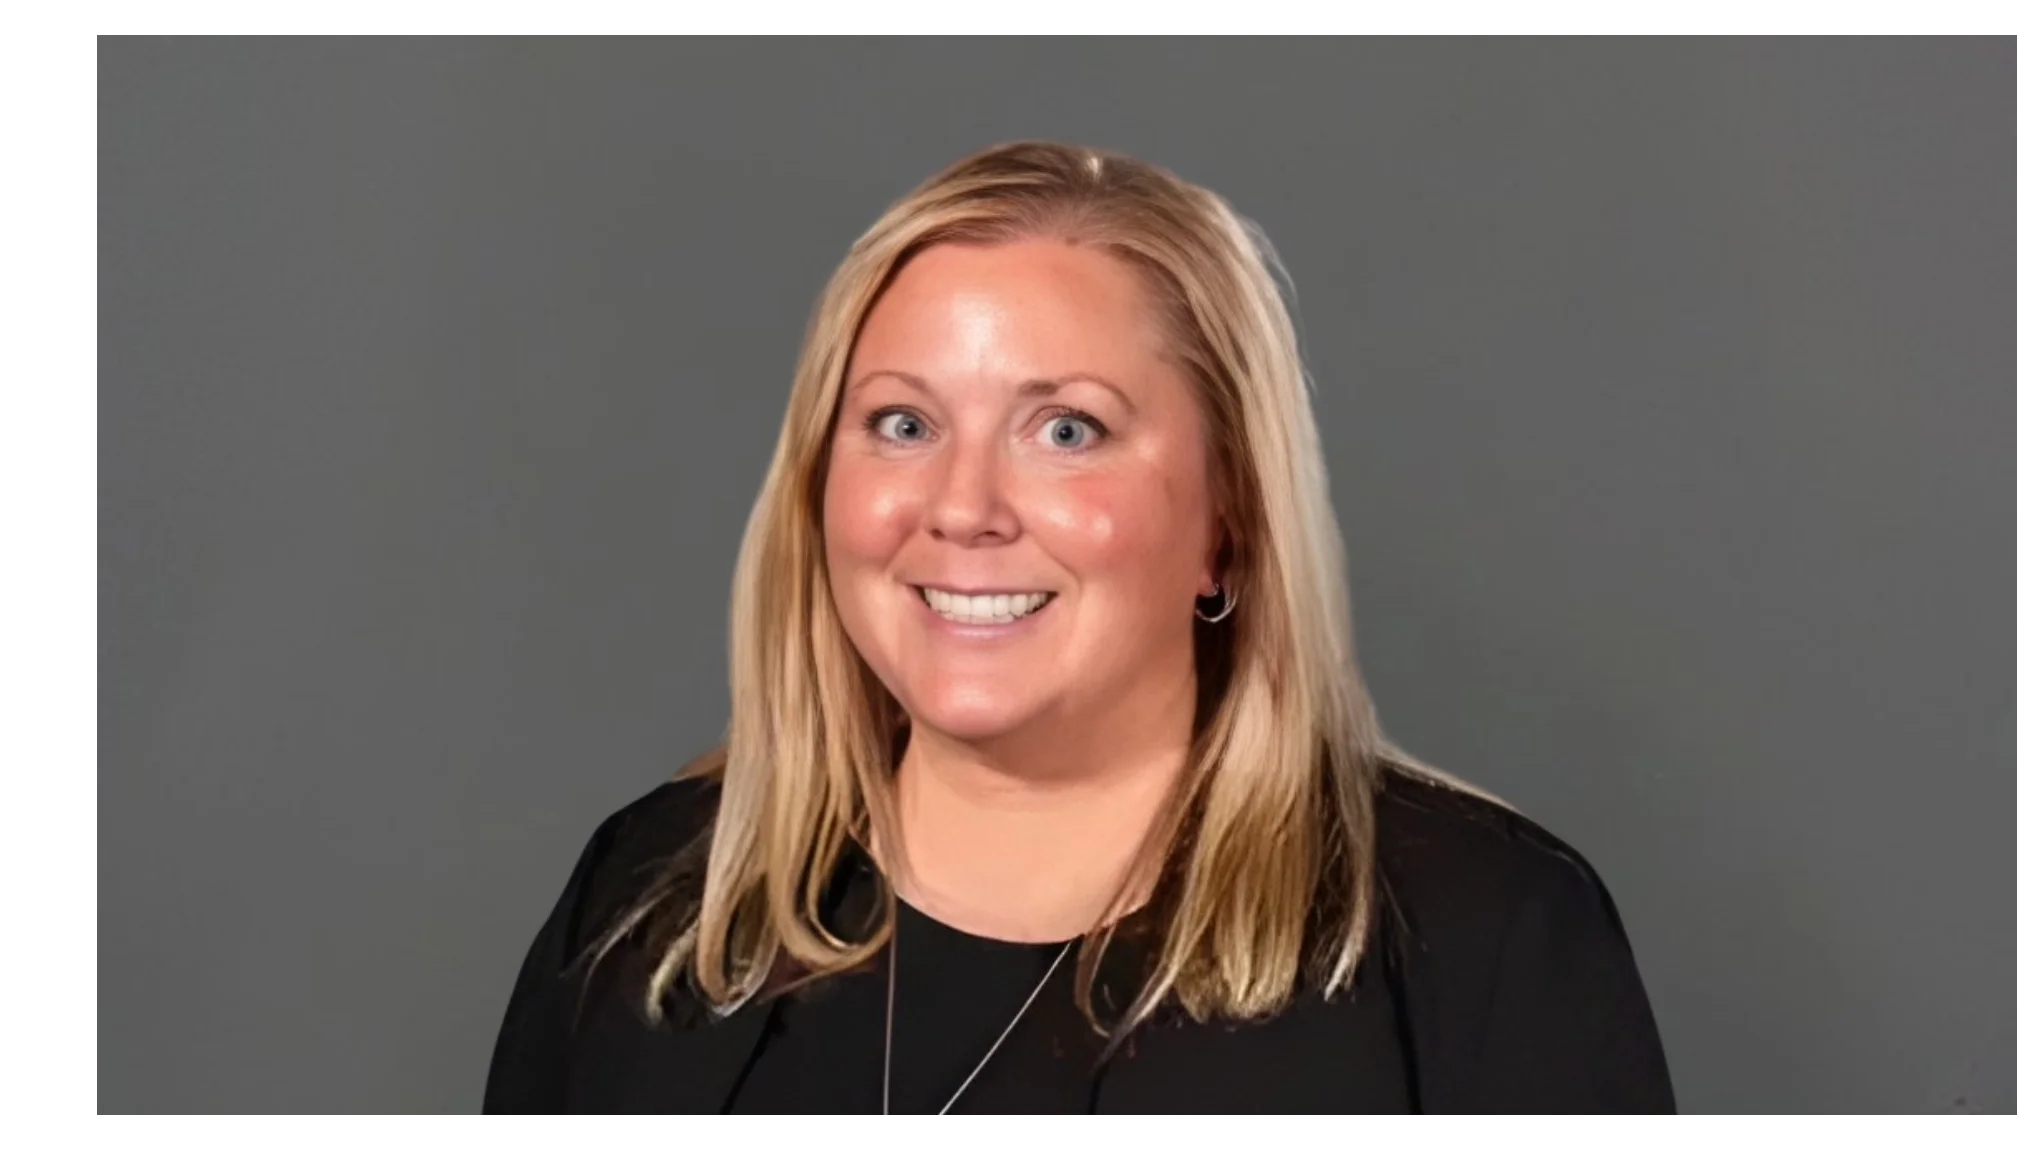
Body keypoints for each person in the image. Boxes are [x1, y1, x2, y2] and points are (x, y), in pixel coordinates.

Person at [481, 140, 1678, 1120]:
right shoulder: (649, 908)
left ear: (1229, 518)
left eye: (1065, 431)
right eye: (901, 424)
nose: (961, 508)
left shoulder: (1483, 943)